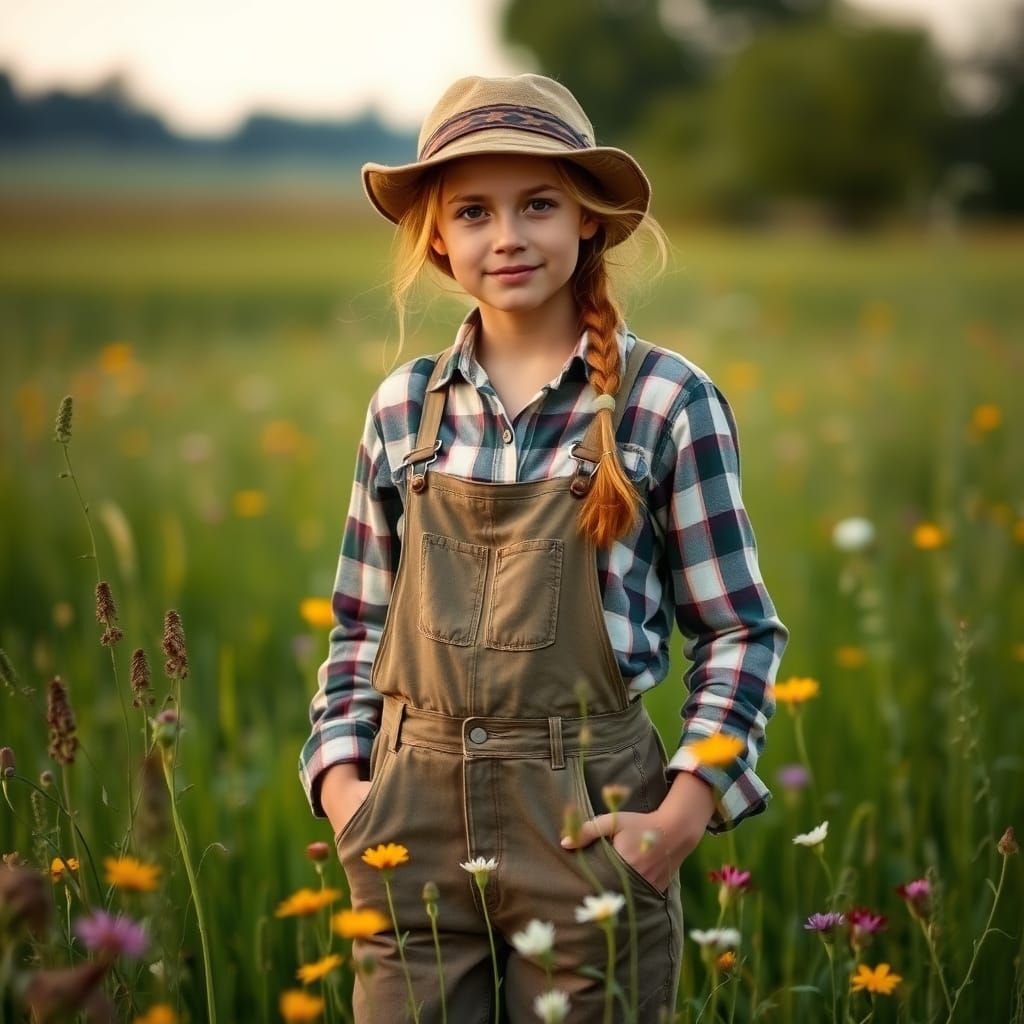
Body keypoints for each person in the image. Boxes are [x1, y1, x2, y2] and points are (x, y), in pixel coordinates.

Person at [298, 73, 788, 1022]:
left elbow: (739, 633)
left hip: (589, 820)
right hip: (408, 823)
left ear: (590, 221)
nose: (508, 235)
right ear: (436, 236)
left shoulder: (664, 401)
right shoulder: (403, 408)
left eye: (539, 204)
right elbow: (360, 622)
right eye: (473, 210)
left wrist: (682, 816)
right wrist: (343, 787)